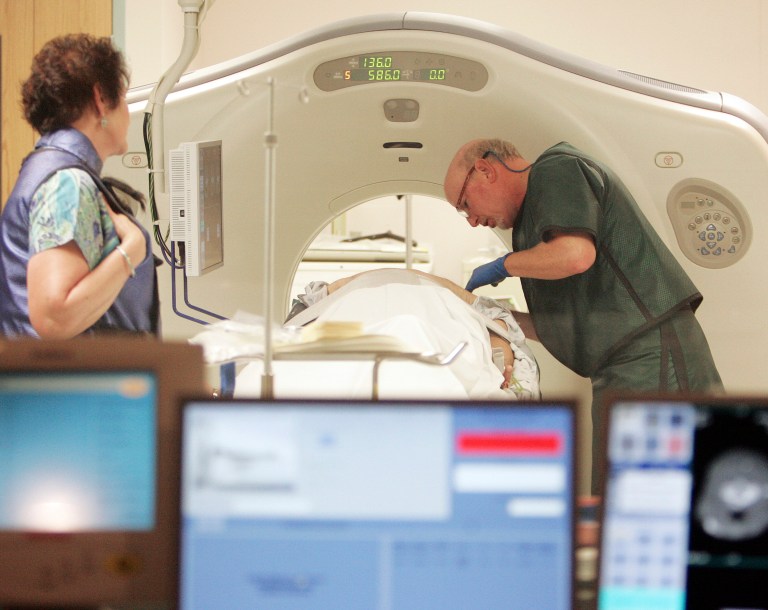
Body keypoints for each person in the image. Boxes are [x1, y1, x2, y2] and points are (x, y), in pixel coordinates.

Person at [444, 138, 724, 488]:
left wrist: (504, 266)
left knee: (644, 494)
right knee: (617, 492)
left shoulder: (556, 168)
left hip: (653, 355)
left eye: (465, 204)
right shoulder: (534, 226)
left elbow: (576, 255)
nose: (471, 221)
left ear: (484, 170)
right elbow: (565, 323)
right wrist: (492, 316)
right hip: (621, 365)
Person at [0, 33, 159, 338]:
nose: (127, 112)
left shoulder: (52, 168)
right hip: (60, 384)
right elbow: (54, 318)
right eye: (123, 97)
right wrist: (131, 252)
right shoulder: (67, 183)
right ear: (101, 99)